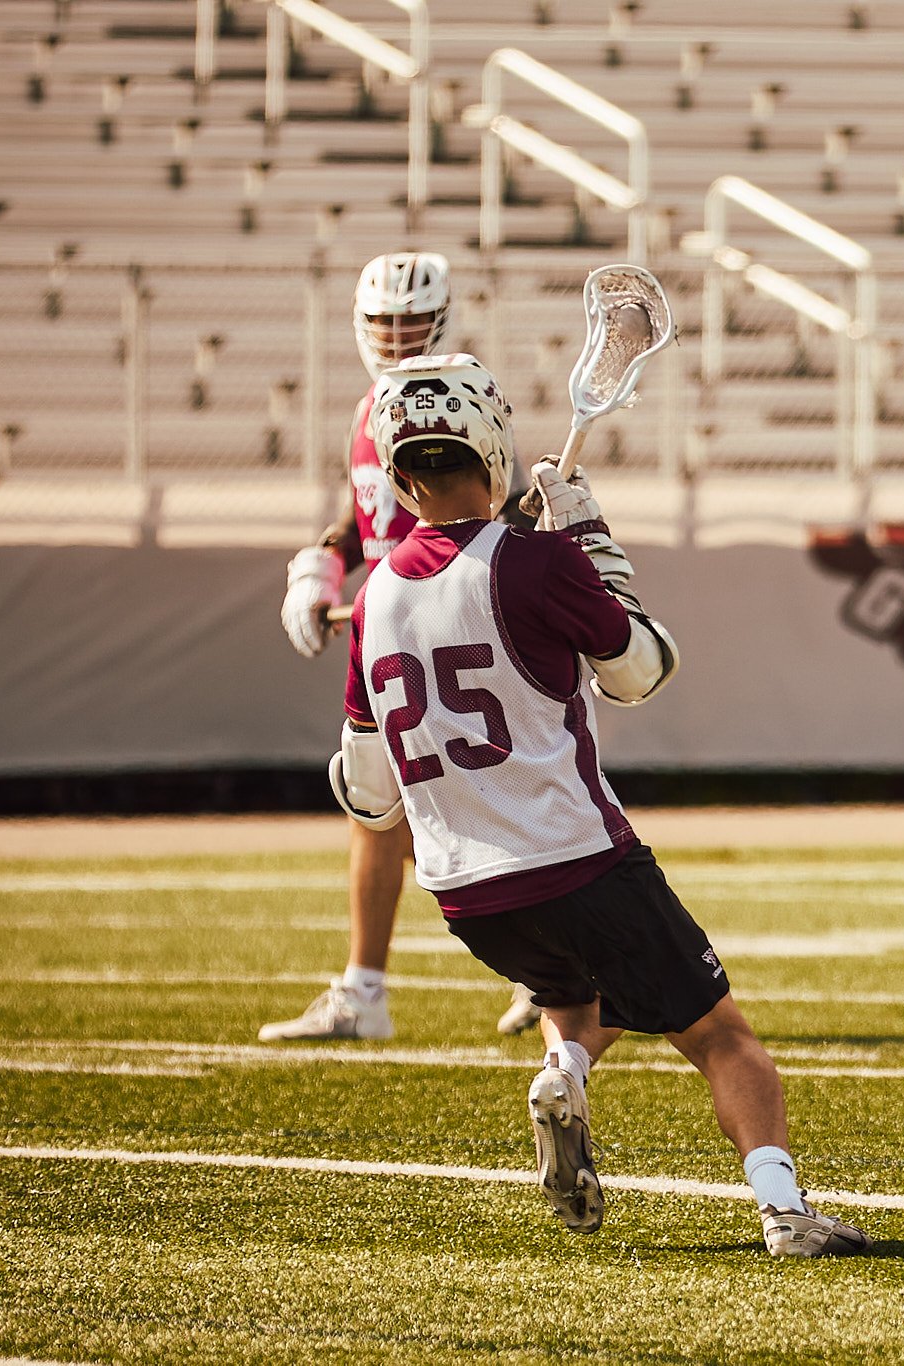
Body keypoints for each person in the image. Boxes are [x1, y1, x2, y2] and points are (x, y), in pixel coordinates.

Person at [328, 352, 871, 1256]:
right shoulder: (536, 562)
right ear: (491, 446)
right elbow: (642, 672)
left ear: (394, 467)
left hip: (468, 896)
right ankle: (783, 1211)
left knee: (581, 998)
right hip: (579, 857)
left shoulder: (373, 595)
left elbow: (368, 795)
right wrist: (593, 545)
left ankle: (564, 1066)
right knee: (723, 1038)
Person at [266, 250, 541, 1042]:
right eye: (384, 321)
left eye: (412, 320)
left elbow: (495, 510)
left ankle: (542, 969)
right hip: (392, 631)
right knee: (382, 807)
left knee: (469, 802)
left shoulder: (458, 399)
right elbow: (367, 518)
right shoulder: (369, 409)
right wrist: (321, 563)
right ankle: (373, 988)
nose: (397, 335)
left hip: (445, 630)